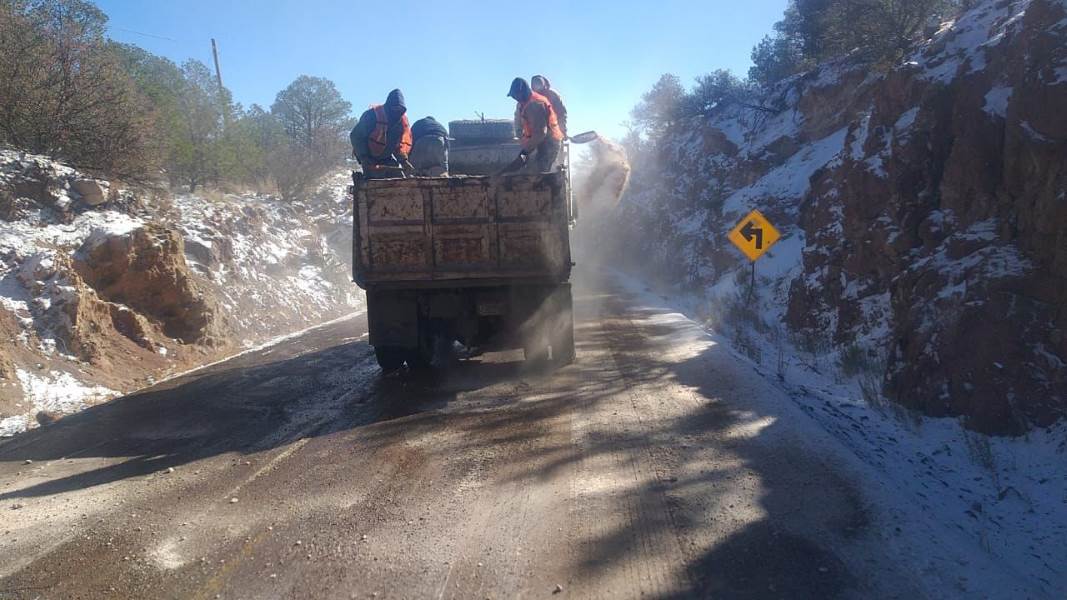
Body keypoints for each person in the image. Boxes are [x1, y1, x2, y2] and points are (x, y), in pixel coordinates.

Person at [350, 89, 413, 177]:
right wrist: (364, 157)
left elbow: (398, 145)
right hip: (369, 158)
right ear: (388, 106)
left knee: (400, 180)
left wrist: (404, 161)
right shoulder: (372, 116)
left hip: (387, 158)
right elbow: (356, 136)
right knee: (374, 184)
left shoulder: (401, 123)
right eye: (394, 108)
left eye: (400, 109)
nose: (397, 111)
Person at [506, 77, 563, 173]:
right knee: (528, 169)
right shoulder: (523, 103)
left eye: (515, 95)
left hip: (550, 142)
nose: (515, 98)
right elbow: (518, 121)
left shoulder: (535, 104)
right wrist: (521, 137)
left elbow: (540, 133)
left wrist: (525, 152)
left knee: (539, 173)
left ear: (521, 92)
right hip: (539, 142)